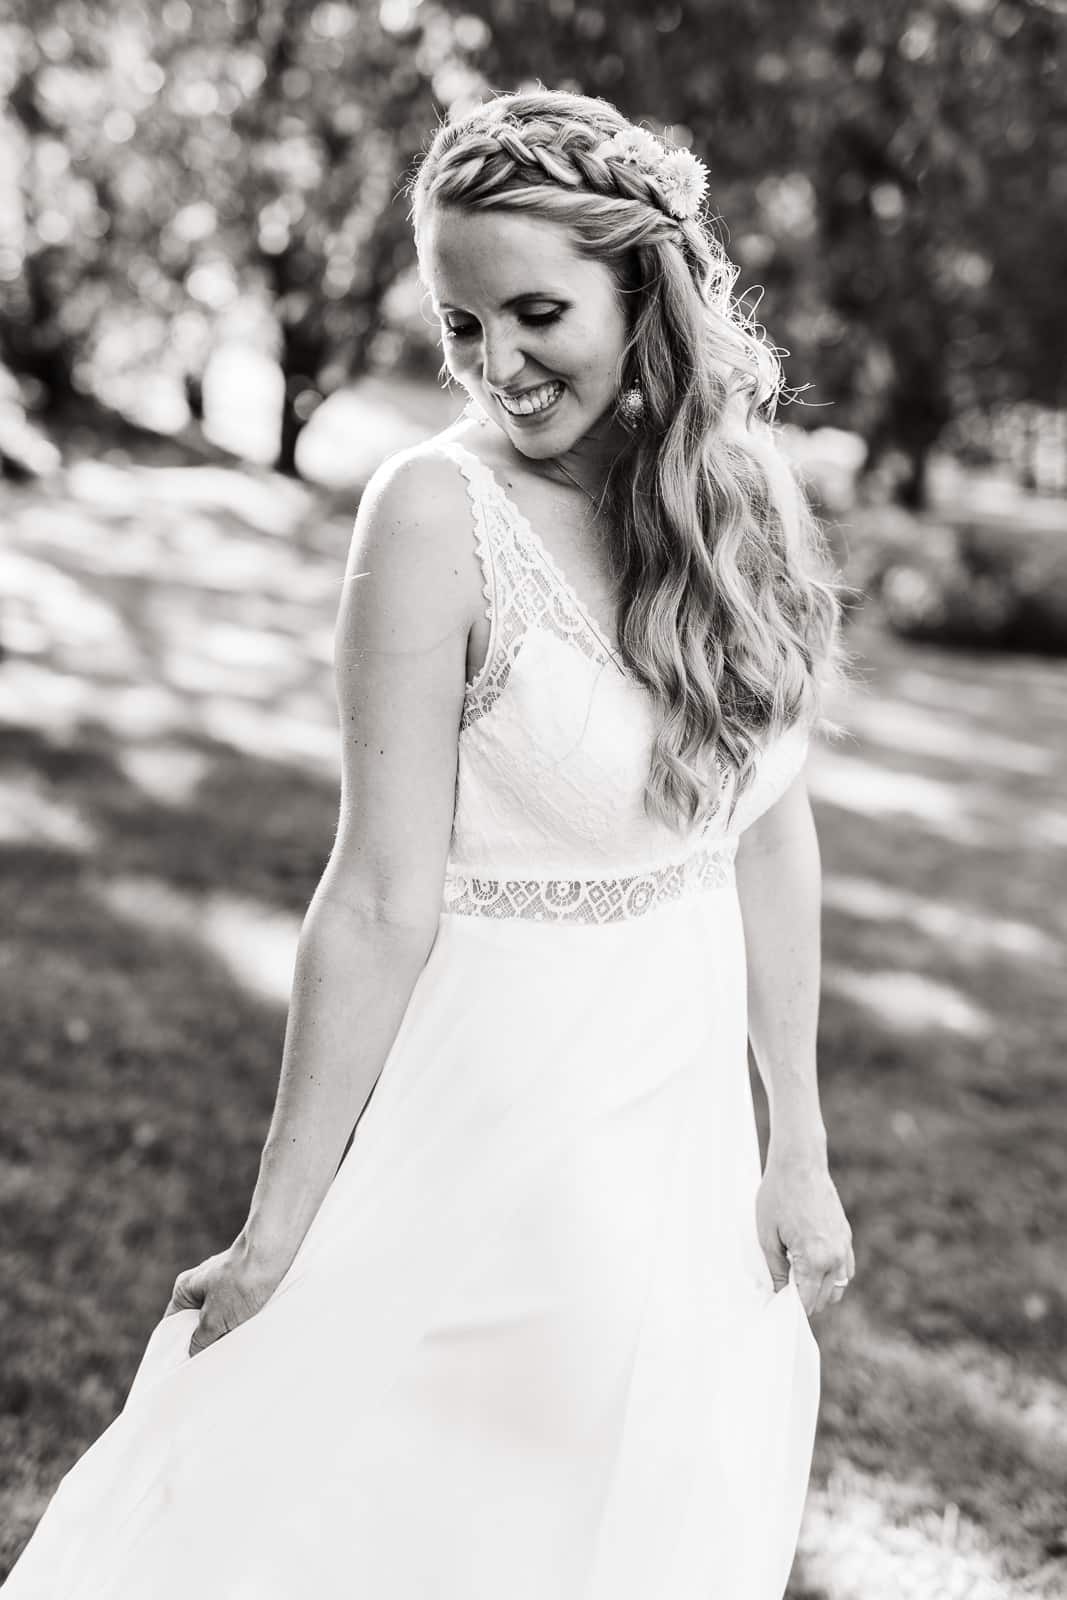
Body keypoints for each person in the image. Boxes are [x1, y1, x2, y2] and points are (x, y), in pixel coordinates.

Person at [4, 87, 855, 1600]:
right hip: (509, 1111)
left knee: (648, 1502)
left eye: (537, 315)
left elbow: (768, 830)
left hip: (689, 1140)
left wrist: (797, 1141)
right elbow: (378, 896)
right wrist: (278, 1227)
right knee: (417, 1513)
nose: (497, 365)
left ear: (642, 291)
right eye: (462, 325)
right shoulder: (433, 514)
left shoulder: (744, 506)